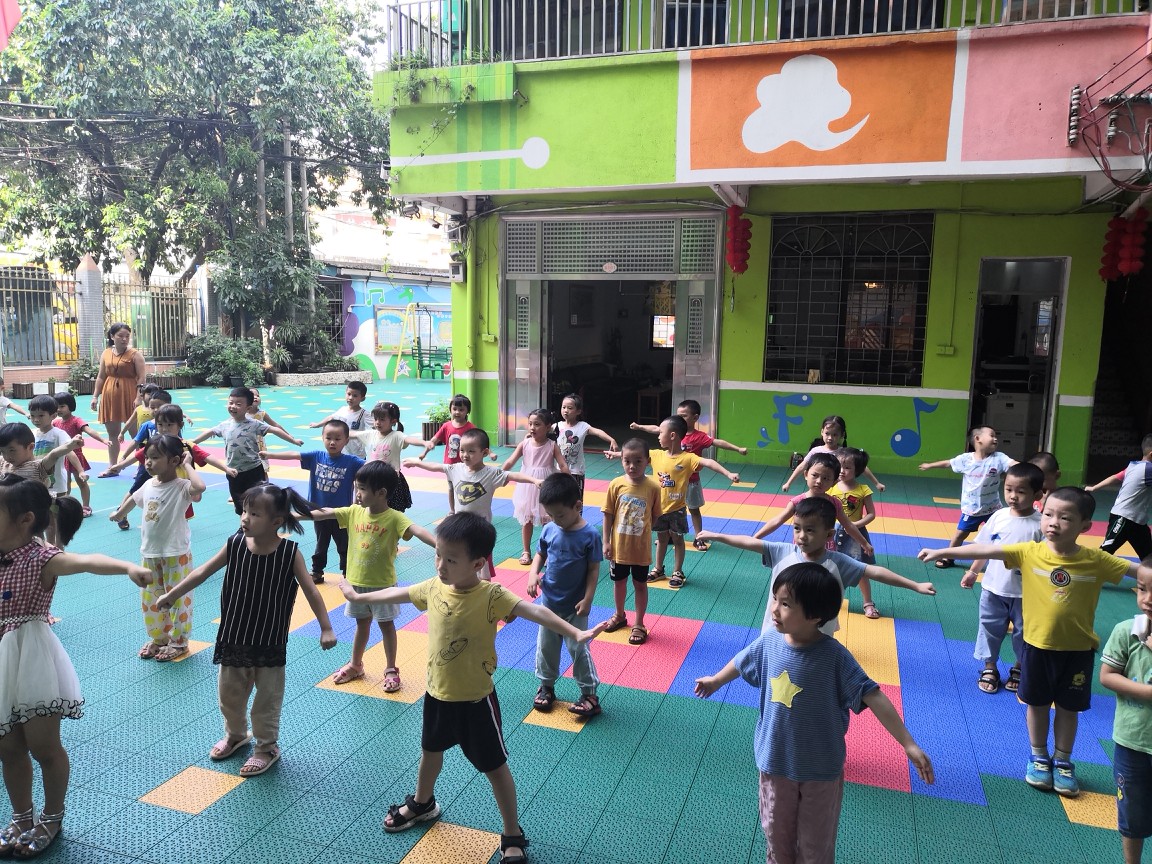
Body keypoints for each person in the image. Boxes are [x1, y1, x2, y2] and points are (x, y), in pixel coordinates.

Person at [334, 512, 605, 862]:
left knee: (496, 768)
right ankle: (422, 803)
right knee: (430, 753)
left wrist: (575, 632)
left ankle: (512, 832)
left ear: (478, 563)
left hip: (476, 701)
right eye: (438, 556)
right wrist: (357, 597)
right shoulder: (433, 588)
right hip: (437, 695)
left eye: (450, 560)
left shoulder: (491, 595)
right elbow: (397, 592)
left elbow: (536, 612)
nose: (440, 565)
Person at [694, 563, 934, 864]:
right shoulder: (769, 641)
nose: (774, 609)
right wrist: (716, 680)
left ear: (815, 616)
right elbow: (743, 661)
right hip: (775, 762)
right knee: (776, 834)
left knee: (816, 844)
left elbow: (873, 696)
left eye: (786, 604)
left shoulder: (835, 658)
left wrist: (908, 743)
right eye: (775, 599)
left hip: (820, 770)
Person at [919, 487, 1138, 797]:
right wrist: (943, 552)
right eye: (1048, 514)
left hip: (1077, 651)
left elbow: (1138, 571)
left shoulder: (1096, 560)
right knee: (1036, 704)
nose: (1053, 522)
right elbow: (986, 550)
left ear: (1085, 526)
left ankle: (1063, 761)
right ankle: (1038, 756)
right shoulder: (1029, 552)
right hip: (1036, 648)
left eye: (1065, 518)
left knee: (1068, 708)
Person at [0, 476, 150, 858]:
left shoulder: (41, 558)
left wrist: (127, 567)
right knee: (8, 747)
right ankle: (20, 816)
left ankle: (51, 817)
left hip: (31, 659)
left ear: (24, 519)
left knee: (43, 746)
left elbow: (87, 562)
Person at [157, 484, 337, 777]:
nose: (245, 518)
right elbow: (202, 571)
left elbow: (311, 591)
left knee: (267, 699)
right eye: (244, 511)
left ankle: (266, 747)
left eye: (254, 514)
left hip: (269, 639)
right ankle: (236, 734)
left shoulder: (289, 553)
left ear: (276, 521)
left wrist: (326, 627)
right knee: (229, 694)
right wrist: (172, 594)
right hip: (234, 635)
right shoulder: (235, 544)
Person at [701, 497, 935, 635]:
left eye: (810, 530)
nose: (802, 536)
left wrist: (915, 585)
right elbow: (748, 542)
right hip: (777, 631)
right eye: (797, 528)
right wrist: (717, 535)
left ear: (829, 534)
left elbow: (874, 571)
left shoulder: (837, 562)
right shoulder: (783, 551)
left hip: (817, 638)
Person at [307, 461, 435, 690]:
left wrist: (440, 546)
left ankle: (391, 668)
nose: (357, 493)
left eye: (362, 489)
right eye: (357, 487)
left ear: (381, 493)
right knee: (362, 624)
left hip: (383, 586)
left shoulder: (394, 518)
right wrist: (292, 516)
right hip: (356, 583)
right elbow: (326, 513)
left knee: (386, 626)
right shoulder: (354, 512)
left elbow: (417, 530)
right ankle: (356, 664)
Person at [109, 435, 205, 663]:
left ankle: (179, 641)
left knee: (178, 598)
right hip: (150, 553)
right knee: (151, 599)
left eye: (154, 458)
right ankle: (159, 638)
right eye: (147, 458)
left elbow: (199, 487)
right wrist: (120, 513)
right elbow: (134, 499)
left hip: (176, 554)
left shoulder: (182, 487)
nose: (148, 462)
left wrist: (187, 465)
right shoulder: (148, 484)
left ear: (174, 461)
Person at [616, 415, 739, 589]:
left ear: (672, 435)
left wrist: (728, 474)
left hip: (677, 510)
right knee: (661, 539)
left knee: (678, 540)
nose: (658, 436)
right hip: (658, 509)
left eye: (661, 432)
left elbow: (709, 462)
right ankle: (658, 569)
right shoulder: (656, 454)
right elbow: (634, 455)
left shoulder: (688, 458)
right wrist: (616, 454)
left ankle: (678, 571)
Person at [405, 428, 540, 579]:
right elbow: (436, 467)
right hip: (460, 529)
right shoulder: (456, 469)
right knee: (461, 563)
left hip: (480, 531)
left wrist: (534, 480)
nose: (464, 455)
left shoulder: (491, 474)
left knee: (483, 567)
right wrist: (417, 464)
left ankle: (485, 589)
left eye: (471, 451)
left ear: (484, 452)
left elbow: (513, 475)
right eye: (462, 450)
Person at [959, 462, 1045, 694]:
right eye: (1008, 489)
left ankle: (1020, 666)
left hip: (1027, 594)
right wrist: (973, 571)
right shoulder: (998, 516)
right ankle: (990, 667)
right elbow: (984, 548)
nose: (1013, 496)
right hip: (993, 588)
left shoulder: (1041, 524)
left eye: (1021, 491)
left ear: (1037, 495)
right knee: (989, 628)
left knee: (1025, 632)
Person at [527, 473, 603, 717]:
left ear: (577, 506)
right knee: (546, 647)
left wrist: (588, 599)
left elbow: (593, 570)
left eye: (560, 515)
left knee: (578, 648)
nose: (555, 520)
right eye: (551, 515)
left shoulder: (590, 535)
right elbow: (540, 554)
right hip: (549, 603)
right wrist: (533, 574)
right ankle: (546, 686)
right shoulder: (550, 529)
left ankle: (589, 694)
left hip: (575, 607)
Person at [632, 398, 747, 550]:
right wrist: (639, 426)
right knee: (667, 509)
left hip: (691, 482)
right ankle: (669, 536)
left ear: (695, 417)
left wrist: (737, 449)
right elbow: (656, 429)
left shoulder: (700, 437)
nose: (680, 418)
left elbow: (717, 443)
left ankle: (699, 538)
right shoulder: (670, 431)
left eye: (684, 415)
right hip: (671, 484)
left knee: (694, 510)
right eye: (678, 415)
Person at [263, 419, 363, 585]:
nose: (332, 442)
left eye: (337, 439)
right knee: (321, 544)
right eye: (328, 438)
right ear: (322, 438)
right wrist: (270, 455)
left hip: (342, 514)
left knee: (344, 545)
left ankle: (348, 573)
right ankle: (317, 571)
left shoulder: (352, 462)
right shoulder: (316, 456)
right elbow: (295, 455)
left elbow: (369, 467)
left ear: (346, 441)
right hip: (318, 513)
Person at [1099, 561, 1152, 864]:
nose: (1148, 599)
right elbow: (1107, 676)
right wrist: (1147, 692)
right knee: (1131, 814)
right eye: (1142, 589)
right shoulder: (1127, 632)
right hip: (1132, 741)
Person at [107, 403, 231, 530]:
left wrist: (226, 469)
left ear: (180, 425)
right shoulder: (155, 444)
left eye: (169, 425)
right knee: (144, 500)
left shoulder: (186, 445)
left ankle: (178, 535)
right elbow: (138, 455)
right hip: (160, 484)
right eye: (160, 424)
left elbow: (206, 457)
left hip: (180, 488)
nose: (164, 429)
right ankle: (123, 515)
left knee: (179, 516)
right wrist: (121, 465)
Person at [191, 387, 302, 516]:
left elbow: (275, 429)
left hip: (254, 470)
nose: (233, 406)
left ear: (248, 408)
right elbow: (209, 432)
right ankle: (244, 524)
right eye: (231, 403)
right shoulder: (224, 425)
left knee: (258, 502)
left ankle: (261, 523)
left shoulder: (254, 424)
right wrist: (192, 443)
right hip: (233, 472)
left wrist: (293, 440)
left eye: (238, 404)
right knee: (240, 506)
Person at [918, 426, 1017, 569]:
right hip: (971, 509)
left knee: (1002, 533)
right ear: (977, 439)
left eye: (996, 436)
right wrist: (930, 465)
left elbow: (1013, 464)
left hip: (993, 508)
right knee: (960, 535)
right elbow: (948, 463)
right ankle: (948, 557)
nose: (996, 439)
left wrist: (1029, 469)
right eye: (991, 435)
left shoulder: (999, 458)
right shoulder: (965, 459)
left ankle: (1008, 560)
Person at [752, 452, 873, 558]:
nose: (819, 481)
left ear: (834, 482)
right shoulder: (797, 502)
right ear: (806, 474)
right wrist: (755, 537)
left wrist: (864, 543)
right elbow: (778, 520)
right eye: (815, 475)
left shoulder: (834, 503)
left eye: (826, 478)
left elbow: (849, 525)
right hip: (802, 551)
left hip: (826, 552)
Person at [601, 438, 661, 646]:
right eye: (627, 461)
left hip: (640, 551)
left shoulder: (653, 487)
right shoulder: (616, 484)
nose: (632, 466)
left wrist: (643, 534)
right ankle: (619, 615)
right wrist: (606, 541)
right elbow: (608, 514)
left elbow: (655, 516)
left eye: (638, 461)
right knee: (619, 583)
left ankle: (639, 623)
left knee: (640, 584)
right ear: (621, 461)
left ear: (648, 461)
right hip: (619, 549)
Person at [502, 408, 570, 565]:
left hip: (546, 485)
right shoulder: (524, 444)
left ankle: (548, 552)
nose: (532, 427)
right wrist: (499, 475)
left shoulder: (552, 445)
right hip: (527, 485)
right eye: (530, 424)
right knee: (527, 519)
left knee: (548, 519)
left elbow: (562, 465)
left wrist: (568, 481)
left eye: (537, 424)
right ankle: (526, 551)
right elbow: (510, 461)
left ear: (548, 427)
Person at [827, 447, 881, 619]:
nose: (842, 471)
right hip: (833, 533)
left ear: (858, 470)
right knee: (830, 567)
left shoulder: (863, 489)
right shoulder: (830, 488)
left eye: (847, 467)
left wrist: (854, 525)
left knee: (861, 570)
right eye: (839, 466)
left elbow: (871, 514)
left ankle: (868, 602)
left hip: (856, 535)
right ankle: (828, 599)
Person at [89, 323, 147, 473]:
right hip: (109, 396)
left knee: (136, 434)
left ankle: (142, 467)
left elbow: (142, 378)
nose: (124, 339)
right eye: (120, 336)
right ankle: (113, 466)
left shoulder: (135, 354)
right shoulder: (106, 353)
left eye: (127, 336)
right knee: (112, 433)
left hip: (130, 394)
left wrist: (139, 398)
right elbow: (101, 376)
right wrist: (95, 396)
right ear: (112, 336)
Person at [1086, 434, 1152, 561]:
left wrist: (1095, 488)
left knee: (1148, 557)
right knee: (1105, 553)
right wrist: (1094, 488)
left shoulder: (1133, 465)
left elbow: (1116, 477)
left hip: (1138, 522)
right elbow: (1117, 477)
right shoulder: (1149, 469)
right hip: (1123, 518)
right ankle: (1084, 570)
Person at [781, 414, 886, 494]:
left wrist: (876, 483)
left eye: (835, 435)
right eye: (827, 433)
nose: (830, 438)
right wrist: (788, 483)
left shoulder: (844, 453)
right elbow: (801, 467)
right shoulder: (815, 451)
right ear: (822, 432)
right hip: (819, 489)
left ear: (842, 435)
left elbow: (862, 467)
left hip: (837, 491)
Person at [353, 401, 427, 512]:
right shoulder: (371, 434)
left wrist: (424, 443)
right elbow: (352, 434)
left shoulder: (396, 436)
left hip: (390, 480)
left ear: (393, 421)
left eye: (382, 419)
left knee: (393, 510)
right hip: (372, 478)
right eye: (376, 419)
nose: (377, 422)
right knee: (371, 508)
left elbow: (409, 439)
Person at [419, 394, 478, 514]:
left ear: (467, 411)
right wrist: (424, 452)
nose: (457, 412)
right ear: (450, 409)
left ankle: (466, 510)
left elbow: (480, 442)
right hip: (450, 464)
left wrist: (489, 453)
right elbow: (434, 439)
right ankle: (453, 510)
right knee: (451, 487)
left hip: (466, 465)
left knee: (465, 488)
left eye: (461, 409)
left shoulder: (470, 428)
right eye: (454, 409)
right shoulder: (447, 426)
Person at [52, 392, 107, 517]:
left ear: (70, 406)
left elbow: (89, 430)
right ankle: (64, 505)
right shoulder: (55, 422)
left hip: (76, 456)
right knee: (64, 483)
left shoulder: (76, 420)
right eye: (56, 406)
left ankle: (86, 506)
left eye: (62, 406)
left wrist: (103, 440)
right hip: (62, 457)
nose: (59, 409)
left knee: (81, 482)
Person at [554, 393, 617, 498]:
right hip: (559, 470)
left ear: (578, 411)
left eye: (570, 408)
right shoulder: (557, 426)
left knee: (576, 498)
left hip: (576, 471)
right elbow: (543, 431)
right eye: (563, 407)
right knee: (560, 498)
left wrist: (611, 440)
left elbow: (597, 432)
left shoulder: (582, 426)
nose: (565, 410)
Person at [27, 396, 86, 507]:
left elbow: (70, 452)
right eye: (32, 415)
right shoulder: (31, 434)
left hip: (56, 484)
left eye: (41, 415)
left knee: (57, 510)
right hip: (37, 482)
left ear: (53, 416)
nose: (36, 419)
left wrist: (81, 471)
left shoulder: (58, 434)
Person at [101, 388, 171, 481]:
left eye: (160, 406)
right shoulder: (147, 425)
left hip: (167, 463)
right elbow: (136, 443)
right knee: (139, 485)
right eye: (152, 407)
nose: (156, 410)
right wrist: (124, 457)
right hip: (149, 462)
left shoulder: (173, 425)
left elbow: (179, 443)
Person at [310, 380, 369, 459]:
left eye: (355, 396)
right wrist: (318, 424)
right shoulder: (342, 410)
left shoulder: (365, 414)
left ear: (362, 398)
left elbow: (372, 431)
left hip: (357, 454)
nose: (350, 398)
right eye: (349, 394)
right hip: (342, 451)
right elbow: (331, 417)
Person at [247, 388, 292, 474]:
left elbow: (275, 425)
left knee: (263, 468)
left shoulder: (262, 414)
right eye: (252, 395)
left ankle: (264, 481)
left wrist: (288, 435)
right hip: (246, 444)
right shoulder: (242, 414)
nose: (256, 397)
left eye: (258, 395)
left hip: (260, 445)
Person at [120, 383, 160, 461]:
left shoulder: (157, 409)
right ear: (142, 395)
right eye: (149, 394)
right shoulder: (139, 409)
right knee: (141, 457)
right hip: (142, 439)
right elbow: (129, 422)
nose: (152, 395)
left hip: (155, 439)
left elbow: (170, 411)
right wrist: (122, 432)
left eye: (154, 393)